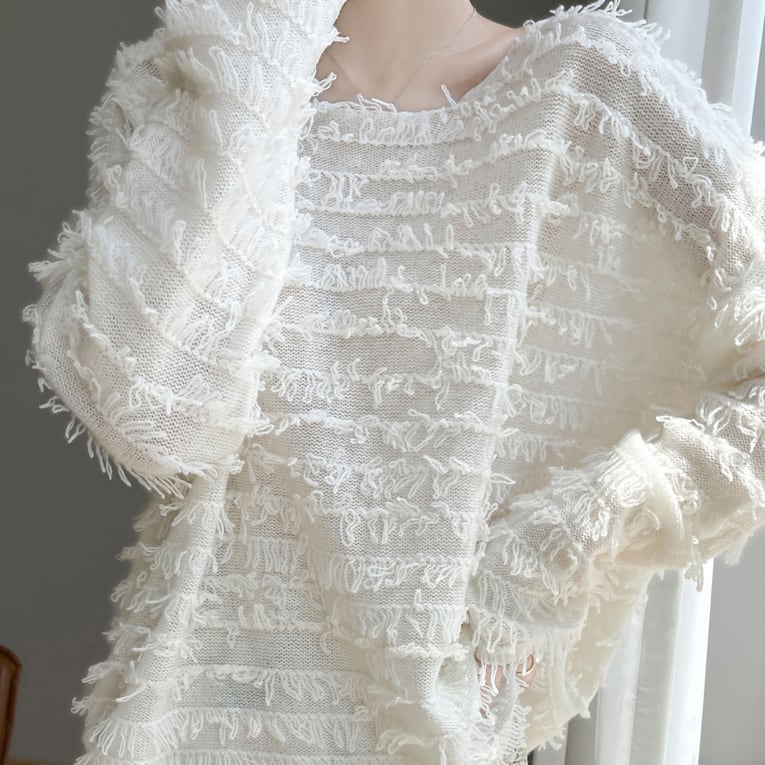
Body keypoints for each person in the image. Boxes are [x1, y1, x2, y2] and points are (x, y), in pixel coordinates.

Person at [21, 0, 765, 763]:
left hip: (425, 734)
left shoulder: (585, 88)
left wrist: (564, 538)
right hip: (183, 723)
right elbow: (150, 418)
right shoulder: (208, 69)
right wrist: (260, 56)